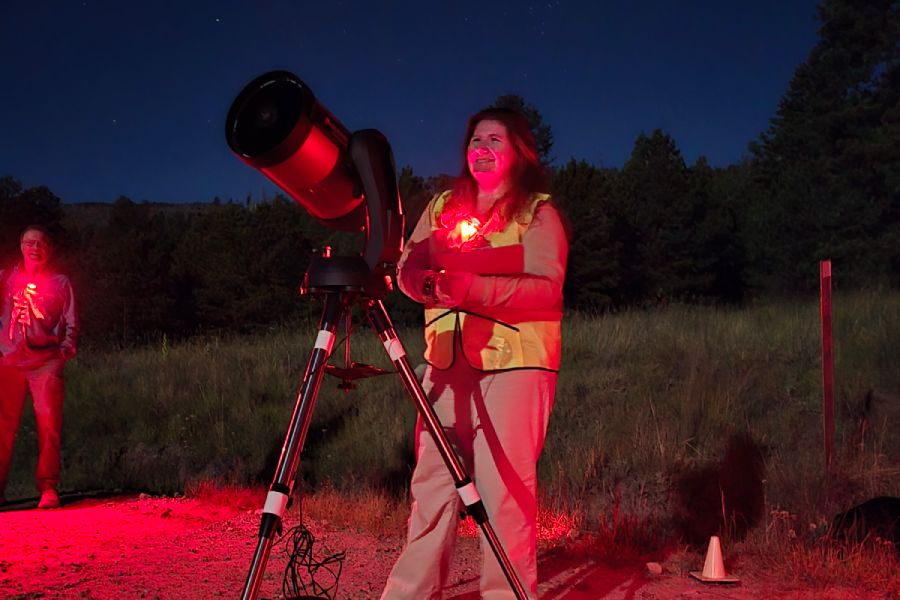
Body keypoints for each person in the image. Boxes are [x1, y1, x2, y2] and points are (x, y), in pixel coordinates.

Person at [381, 107, 568, 599]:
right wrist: (421, 282)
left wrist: (474, 290)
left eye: (495, 140)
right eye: (475, 139)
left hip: (515, 370)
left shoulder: (537, 212)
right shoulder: (444, 205)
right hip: (444, 370)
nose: (482, 148)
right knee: (431, 495)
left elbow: (546, 287)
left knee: (505, 499)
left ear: (519, 152)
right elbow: (408, 263)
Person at [0, 225, 78, 509]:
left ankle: (48, 487)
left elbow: (71, 320)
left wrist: (65, 350)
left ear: (50, 249)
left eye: (41, 244)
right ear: (21, 246)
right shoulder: (6, 278)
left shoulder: (59, 283)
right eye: (30, 243)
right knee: (2, 427)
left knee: (48, 424)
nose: (35, 248)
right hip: (8, 361)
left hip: (45, 362)